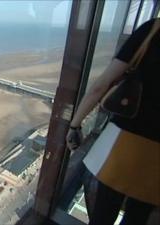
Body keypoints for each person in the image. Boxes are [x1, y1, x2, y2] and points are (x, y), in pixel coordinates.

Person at [66, 18, 160, 225]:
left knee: (103, 212)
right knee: (139, 216)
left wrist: (75, 124)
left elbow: (101, 86)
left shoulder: (152, 31)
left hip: (126, 145)